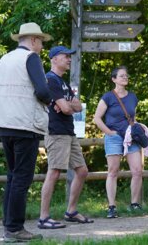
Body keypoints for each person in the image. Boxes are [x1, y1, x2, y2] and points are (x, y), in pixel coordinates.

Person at [0, 22, 52, 242]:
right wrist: (51, 101)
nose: (41, 46)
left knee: (12, 177)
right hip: (25, 125)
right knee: (22, 178)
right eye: (40, 41)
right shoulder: (31, 58)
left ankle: (8, 225)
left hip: (4, 124)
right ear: (32, 40)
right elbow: (41, 90)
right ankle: (15, 229)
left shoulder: (4, 59)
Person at [38, 46, 93, 229]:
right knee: (54, 172)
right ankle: (44, 218)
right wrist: (67, 105)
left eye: (70, 57)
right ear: (54, 59)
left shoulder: (63, 83)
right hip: (56, 132)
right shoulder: (50, 80)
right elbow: (69, 108)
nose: (69, 59)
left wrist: (66, 104)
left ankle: (71, 212)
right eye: (65, 56)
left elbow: (77, 107)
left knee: (82, 171)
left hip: (69, 132)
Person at [94, 66, 143, 218]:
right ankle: (112, 207)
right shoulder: (107, 97)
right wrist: (109, 133)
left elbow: (132, 118)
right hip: (114, 137)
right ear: (114, 79)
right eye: (121, 76)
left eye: (126, 76)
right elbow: (96, 118)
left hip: (131, 137)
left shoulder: (133, 97)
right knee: (113, 172)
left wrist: (135, 129)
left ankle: (134, 204)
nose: (125, 78)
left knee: (137, 171)